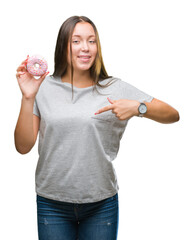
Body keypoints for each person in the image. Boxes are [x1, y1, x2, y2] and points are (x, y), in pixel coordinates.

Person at [14, 15, 180, 240]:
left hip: (101, 204)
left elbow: (173, 115)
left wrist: (138, 107)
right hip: (52, 203)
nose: (85, 48)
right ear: (63, 45)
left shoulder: (114, 88)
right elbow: (23, 146)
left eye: (91, 41)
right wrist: (27, 97)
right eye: (76, 41)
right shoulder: (43, 87)